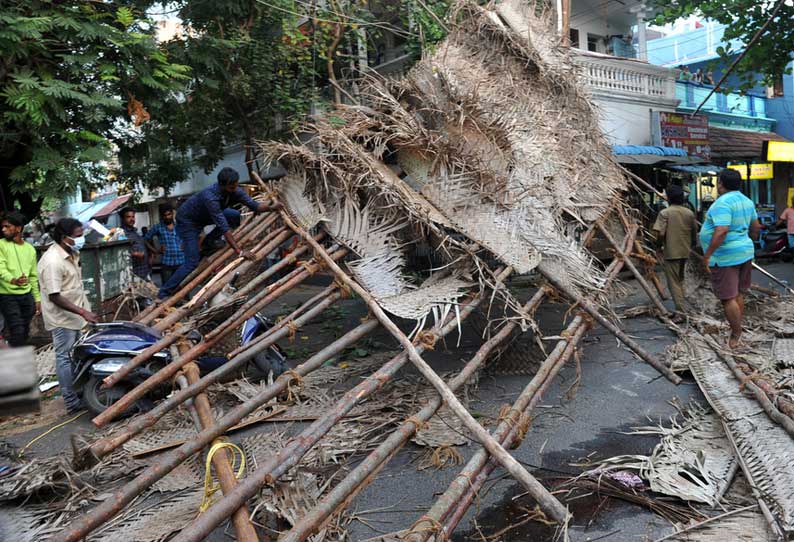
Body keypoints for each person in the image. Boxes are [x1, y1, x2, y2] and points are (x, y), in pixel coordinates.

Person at [157, 167, 281, 299]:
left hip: (204, 216)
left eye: (236, 185)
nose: (235, 189)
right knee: (191, 262)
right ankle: (163, 292)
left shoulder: (235, 190)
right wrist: (239, 251)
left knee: (234, 215)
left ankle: (208, 242)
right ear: (222, 185)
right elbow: (223, 227)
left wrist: (271, 208)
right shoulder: (210, 197)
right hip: (188, 221)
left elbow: (255, 206)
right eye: (232, 187)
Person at [38, 218, 99, 413]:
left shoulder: (71, 253)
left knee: (76, 355)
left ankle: (80, 391)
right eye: (78, 236)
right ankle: (71, 401)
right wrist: (83, 312)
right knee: (64, 357)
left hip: (76, 316)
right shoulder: (52, 261)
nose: (82, 239)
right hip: (62, 318)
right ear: (65, 238)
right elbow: (55, 296)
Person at [699, 169, 761, 349]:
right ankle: (736, 328)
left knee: (727, 298)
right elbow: (755, 227)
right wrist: (745, 241)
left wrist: (708, 254)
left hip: (725, 256)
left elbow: (722, 230)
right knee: (738, 294)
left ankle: (736, 333)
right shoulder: (746, 201)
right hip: (745, 253)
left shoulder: (722, 203)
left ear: (721, 184)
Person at [653, 185, 696, 321]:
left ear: (669, 198)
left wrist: (658, 246)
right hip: (685, 250)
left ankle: (681, 313)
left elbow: (660, 232)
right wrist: (692, 245)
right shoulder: (689, 213)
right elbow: (694, 232)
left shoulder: (665, 213)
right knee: (680, 280)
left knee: (674, 283)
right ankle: (682, 308)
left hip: (671, 251)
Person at [0, 211, 40, 346]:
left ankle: (13, 356)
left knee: (25, 331)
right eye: (3, 226)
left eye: (7, 226)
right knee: (17, 330)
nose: (3, 229)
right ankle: (15, 361)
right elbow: (1, 268)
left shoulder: (30, 249)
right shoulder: (1, 244)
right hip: (7, 295)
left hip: (27, 295)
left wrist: (37, 299)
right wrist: (13, 280)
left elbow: (33, 276)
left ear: (18, 228)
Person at [144, 203, 185, 284]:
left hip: (181, 262)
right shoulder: (158, 227)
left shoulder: (180, 225)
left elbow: (189, 236)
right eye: (164, 215)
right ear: (161, 216)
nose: (167, 217)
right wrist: (156, 251)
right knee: (167, 289)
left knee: (183, 287)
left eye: (169, 214)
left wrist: (186, 245)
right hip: (167, 263)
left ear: (172, 214)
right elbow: (145, 239)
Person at [119, 207, 150, 280]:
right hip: (134, 274)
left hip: (144, 271)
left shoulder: (135, 232)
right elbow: (121, 252)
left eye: (133, 216)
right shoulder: (121, 233)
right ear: (123, 219)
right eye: (128, 217)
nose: (132, 219)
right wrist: (135, 254)